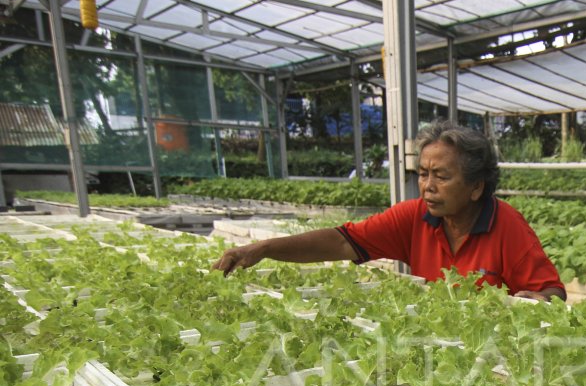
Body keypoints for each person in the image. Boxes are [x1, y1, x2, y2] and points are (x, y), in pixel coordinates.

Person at [212, 121, 566, 301]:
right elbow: (341, 242)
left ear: (476, 187)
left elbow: (553, 292)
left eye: (441, 176)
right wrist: (265, 249)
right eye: (423, 174)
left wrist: (538, 300)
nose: (427, 185)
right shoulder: (415, 217)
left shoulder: (506, 224)